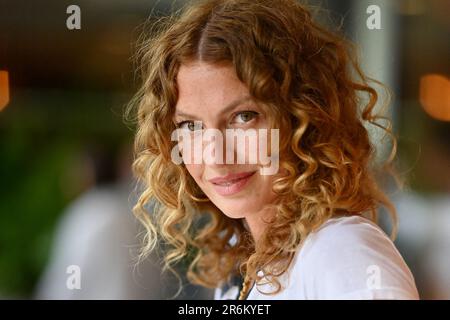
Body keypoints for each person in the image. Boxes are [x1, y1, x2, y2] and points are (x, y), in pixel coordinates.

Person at [127, 0, 419, 299]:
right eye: (191, 126)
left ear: (304, 115)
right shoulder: (241, 260)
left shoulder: (342, 253)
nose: (215, 156)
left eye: (243, 117)